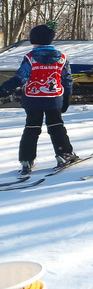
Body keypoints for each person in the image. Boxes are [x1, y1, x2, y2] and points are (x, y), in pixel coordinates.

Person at [0, 23, 77, 175]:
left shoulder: (30, 58)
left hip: (33, 98)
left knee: (31, 128)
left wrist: (3, 89)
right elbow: (67, 79)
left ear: (34, 40)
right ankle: (64, 154)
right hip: (54, 98)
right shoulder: (61, 58)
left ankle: (26, 160)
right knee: (56, 126)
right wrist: (67, 96)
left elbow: (21, 78)